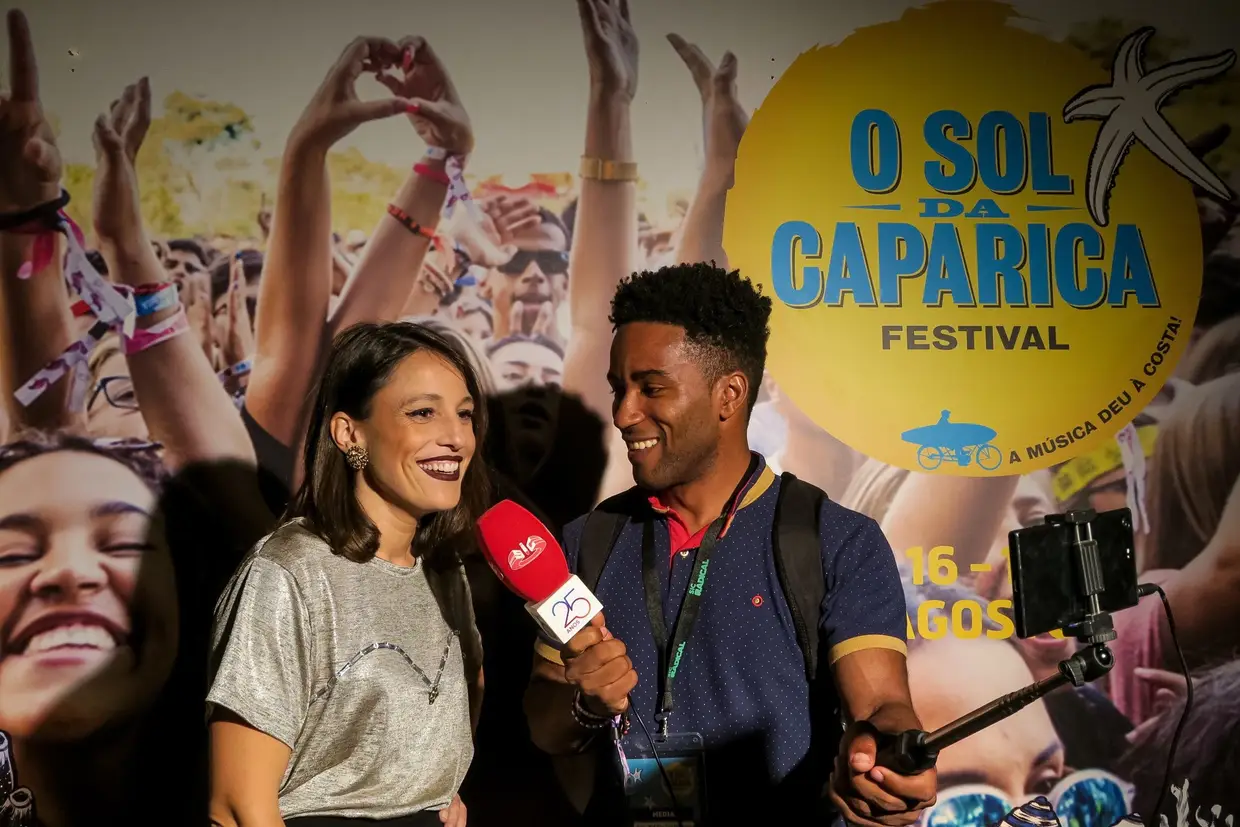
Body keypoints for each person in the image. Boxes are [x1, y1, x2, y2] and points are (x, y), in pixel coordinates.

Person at [523, 263, 936, 824]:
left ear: (729, 395)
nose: (623, 414)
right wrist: (584, 702)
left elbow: (883, 705)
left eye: (652, 388)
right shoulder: (586, 541)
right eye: (619, 389)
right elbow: (545, 723)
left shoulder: (837, 542)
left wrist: (885, 755)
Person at [206, 322, 488, 827]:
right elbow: (238, 806)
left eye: (464, 414)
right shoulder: (287, 572)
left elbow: (450, 712)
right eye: (422, 412)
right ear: (349, 433)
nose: (455, 438)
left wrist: (435, 786)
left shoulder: (444, 570)